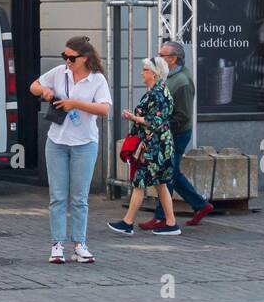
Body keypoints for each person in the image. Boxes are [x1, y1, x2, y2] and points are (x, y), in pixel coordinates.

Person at [31, 35, 111, 264]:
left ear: (84, 58)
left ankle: (79, 244)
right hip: (57, 140)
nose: (67, 60)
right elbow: (34, 86)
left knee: (80, 197)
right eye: (64, 56)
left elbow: (104, 109)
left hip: (85, 142)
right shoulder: (59, 72)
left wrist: (75, 104)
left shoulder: (97, 80)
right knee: (57, 196)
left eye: (71, 57)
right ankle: (57, 245)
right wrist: (44, 92)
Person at [141, 40, 214, 230]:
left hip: (177, 134)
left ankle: (162, 216)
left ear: (173, 59)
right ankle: (200, 205)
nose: (157, 58)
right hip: (168, 132)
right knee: (171, 172)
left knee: (166, 174)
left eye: (161, 55)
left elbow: (182, 116)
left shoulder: (182, 82)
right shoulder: (170, 76)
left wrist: (159, 127)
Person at [109, 57, 180, 237]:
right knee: (161, 184)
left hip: (153, 147)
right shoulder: (159, 91)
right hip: (159, 145)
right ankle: (171, 223)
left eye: (145, 70)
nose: (142, 72)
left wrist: (133, 118)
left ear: (154, 74)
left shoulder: (157, 93)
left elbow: (153, 121)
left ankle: (128, 222)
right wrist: (134, 117)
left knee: (140, 183)